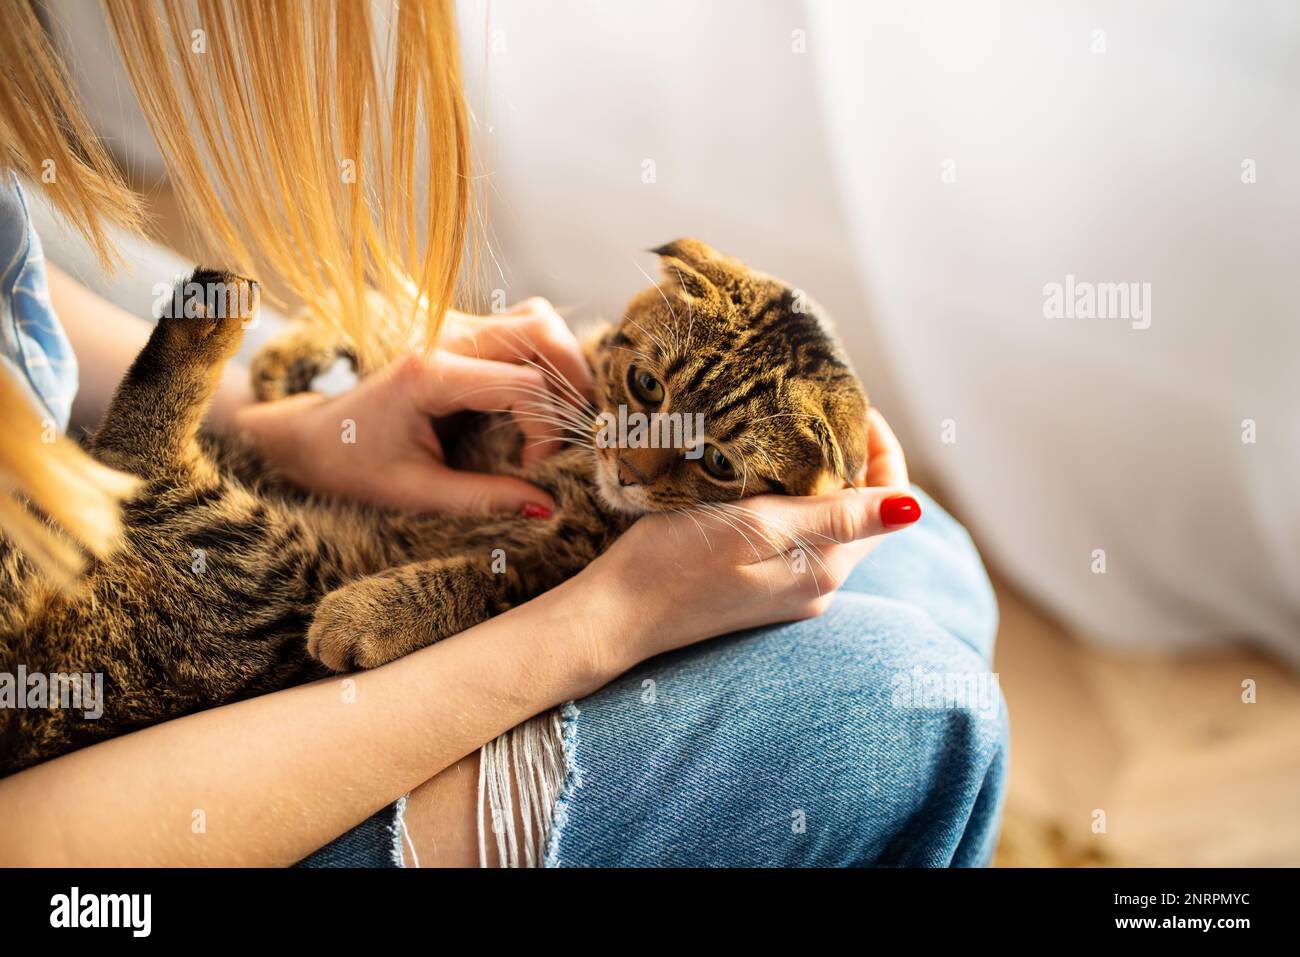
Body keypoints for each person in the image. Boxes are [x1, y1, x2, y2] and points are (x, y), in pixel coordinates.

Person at [0, 0, 1006, 866]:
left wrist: (290, 427)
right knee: (917, 715)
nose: (632, 457)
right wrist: (599, 624)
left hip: (66, 469)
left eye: (694, 452)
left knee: (922, 563)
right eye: (646, 388)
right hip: (105, 802)